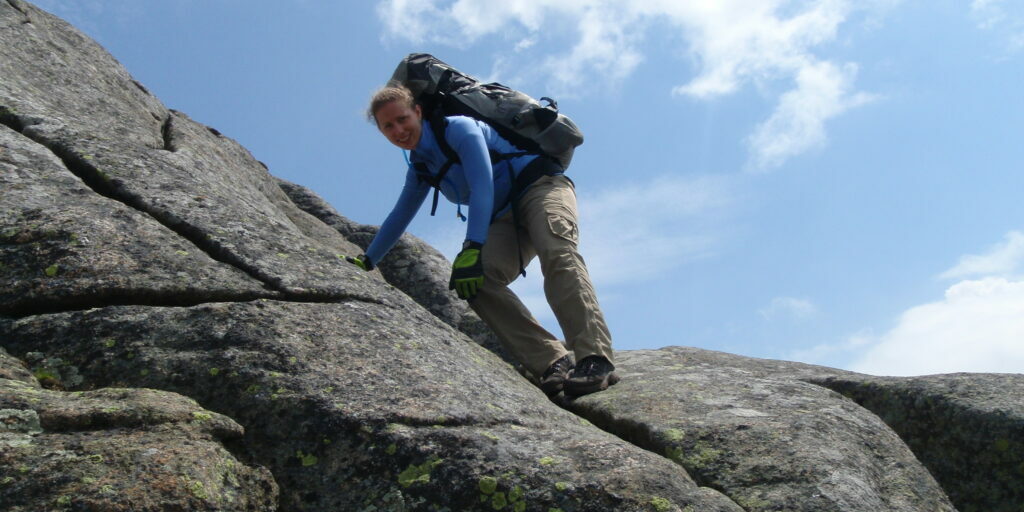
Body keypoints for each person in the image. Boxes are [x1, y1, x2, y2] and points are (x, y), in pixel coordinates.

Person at [346, 85, 617, 397]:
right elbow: (400, 215)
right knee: (475, 280)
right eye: (388, 126)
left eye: (402, 119)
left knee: (557, 252)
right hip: (505, 218)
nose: (399, 130)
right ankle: (552, 361)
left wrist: (472, 246)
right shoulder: (420, 166)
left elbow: (481, 185)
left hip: (541, 187)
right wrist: (368, 260)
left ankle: (595, 358)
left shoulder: (459, 128)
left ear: (417, 111)